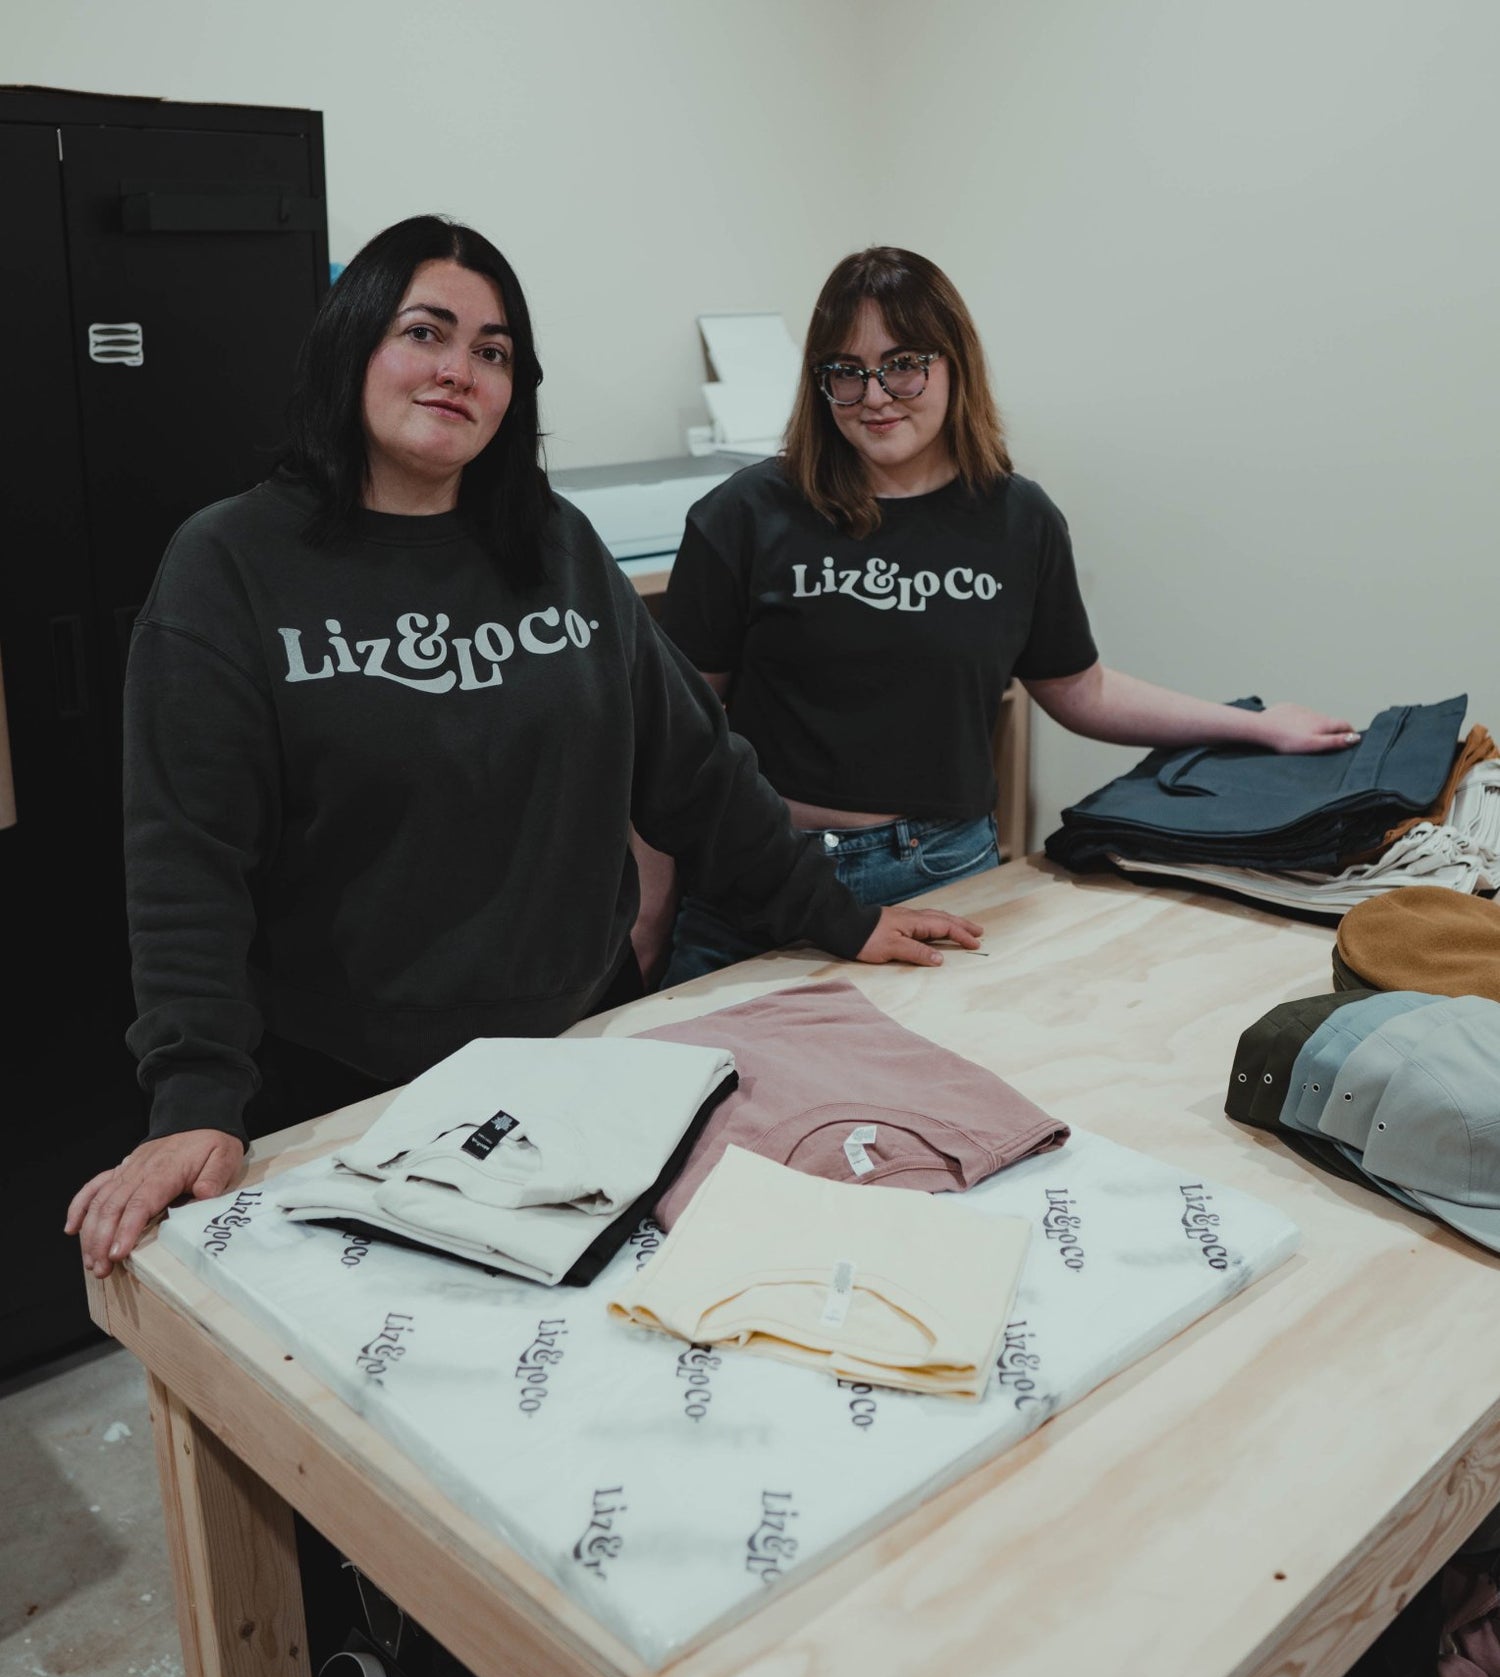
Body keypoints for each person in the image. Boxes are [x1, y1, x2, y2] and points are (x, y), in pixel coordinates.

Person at [67, 217, 981, 1281]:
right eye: (426, 332)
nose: (460, 370)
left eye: (494, 351)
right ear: (354, 344)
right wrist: (193, 1099)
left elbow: (694, 769)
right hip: (350, 1093)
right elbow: (187, 860)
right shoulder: (230, 565)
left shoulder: (553, 546)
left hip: (581, 1053)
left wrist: (839, 916)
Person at [654, 245, 1358, 983]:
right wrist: (648, 910)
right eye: (845, 372)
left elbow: (1080, 690)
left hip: (940, 872)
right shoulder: (742, 515)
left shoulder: (1019, 520)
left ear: (955, 364)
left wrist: (1255, 725)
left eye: (903, 364)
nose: (875, 395)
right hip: (764, 873)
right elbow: (674, 735)